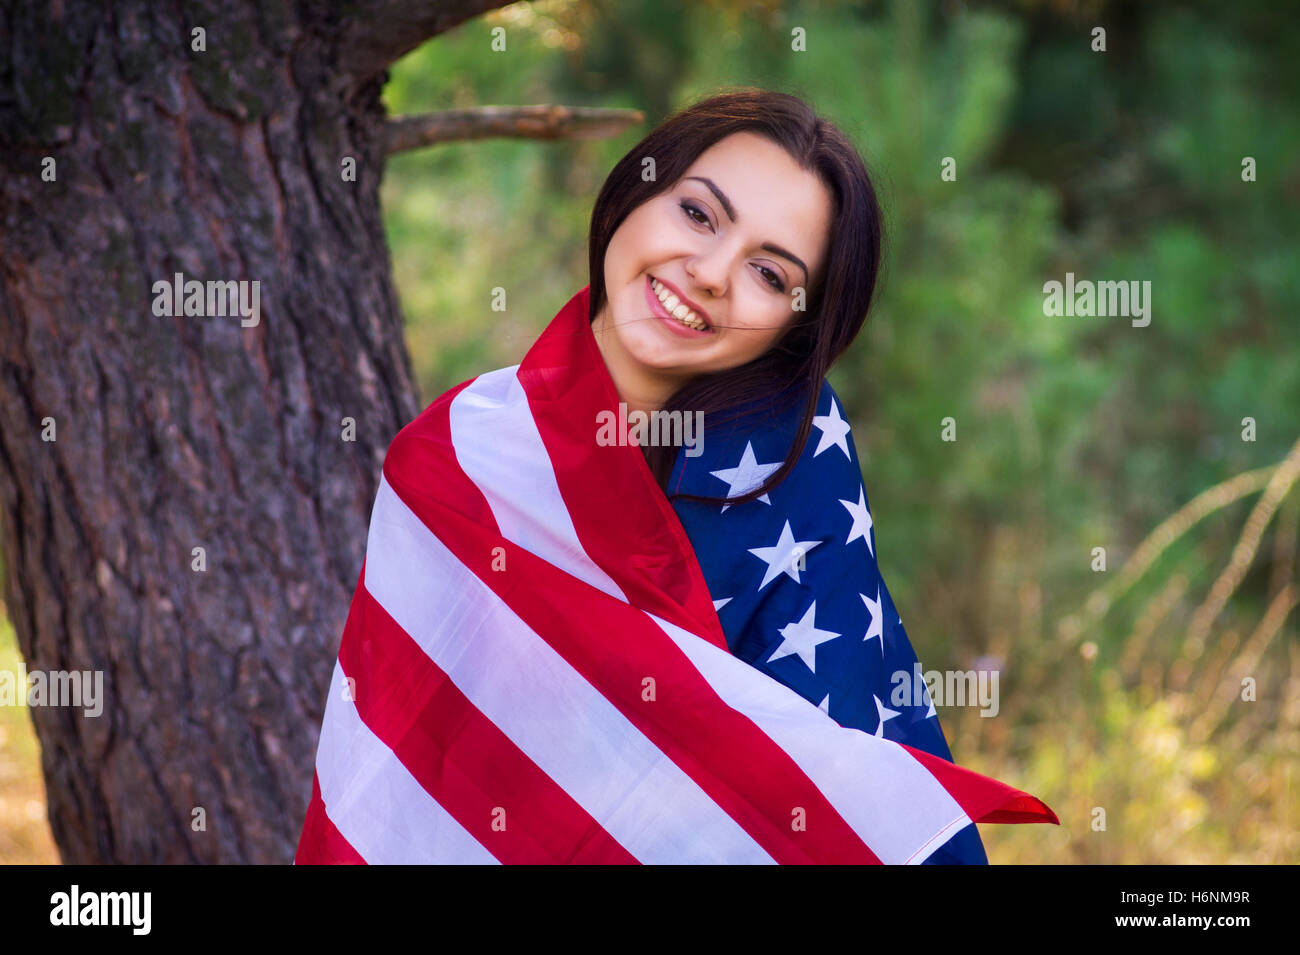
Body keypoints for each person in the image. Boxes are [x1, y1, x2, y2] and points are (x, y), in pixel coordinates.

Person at [294, 88, 1056, 865]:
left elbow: (835, 757)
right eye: (698, 214)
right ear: (637, 190)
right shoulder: (457, 458)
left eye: (769, 272)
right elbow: (401, 771)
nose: (712, 272)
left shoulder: (796, 460)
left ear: (797, 327)